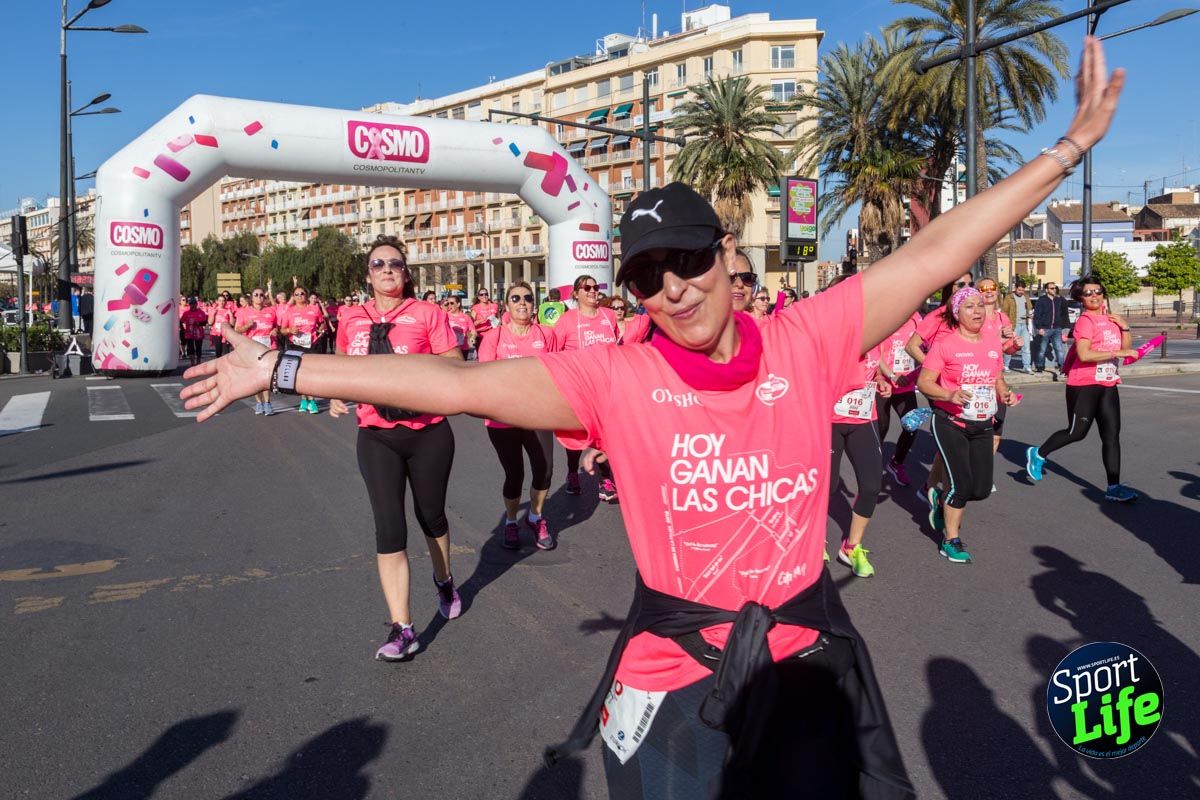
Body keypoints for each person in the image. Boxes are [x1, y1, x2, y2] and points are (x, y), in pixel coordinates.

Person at [182, 39, 1120, 796]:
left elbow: (938, 248)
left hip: (804, 669)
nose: (673, 288)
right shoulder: (611, 378)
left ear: (725, 254)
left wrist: (1068, 149)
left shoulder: (807, 336)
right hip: (672, 681)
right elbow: (452, 381)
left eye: (689, 261)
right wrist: (287, 364)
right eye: (646, 275)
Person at [328, 235, 464, 660]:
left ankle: (444, 579)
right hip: (376, 436)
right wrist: (335, 390)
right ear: (367, 274)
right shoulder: (350, 317)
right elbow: (341, 364)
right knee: (389, 528)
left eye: (395, 264)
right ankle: (402, 627)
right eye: (378, 264)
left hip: (428, 434)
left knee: (431, 516)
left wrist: (409, 372)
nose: (387, 269)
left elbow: (456, 365)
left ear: (406, 273)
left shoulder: (427, 313)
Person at [917, 287, 1021, 563]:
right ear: (956, 313)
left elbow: (996, 377)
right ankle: (951, 540)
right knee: (961, 486)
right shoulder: (945, 344)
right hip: (950, 422)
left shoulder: (991, 343)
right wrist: (948, 394)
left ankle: (942, 500)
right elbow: (924, 382)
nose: (977, 311)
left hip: (983, 424)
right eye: (969, 307)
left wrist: (1004, 393)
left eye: (980, 306)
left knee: (982, 489)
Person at [1026, 276, 1139, 502]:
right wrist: (1117, 353)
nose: (1094, 295)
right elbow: (1085, 354)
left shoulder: (1112, 320)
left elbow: (1126, 349)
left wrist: (1125, 327)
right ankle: (1038, 453)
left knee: (1111, 436)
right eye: (1088, 293)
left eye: (1097, 291)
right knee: (1076, 432)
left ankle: (1113, 488)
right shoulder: (1085, 321)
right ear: (1080, 299)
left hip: (1107, 383)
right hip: (1084, 384)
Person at [478, 282, 560, 550]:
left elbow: (559, 371)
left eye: (527, 298)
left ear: (533, 304)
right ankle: (511, 521)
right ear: (506, 305)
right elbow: (485, 378)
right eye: (516, 298)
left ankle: (535, 517)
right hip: (503, 419)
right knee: (514, 474)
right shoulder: (494, 338)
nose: (522, 302)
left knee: (544, 471)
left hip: (538, 416)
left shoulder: (546, 335)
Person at [552, 275, 619, 498]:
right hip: (578, 388)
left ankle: (605, 478)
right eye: (587, 287)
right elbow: (554, 352)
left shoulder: (609, 316)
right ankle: (573, 472)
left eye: (596, 287)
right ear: (576, 293)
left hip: (607, 387)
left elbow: (616, 343)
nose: (593, 291)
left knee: (608, 433)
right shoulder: (567, 320)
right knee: (577, 433)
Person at [877, 310, 923, 485]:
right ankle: (873, 467)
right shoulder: (884, 317)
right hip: (881, 382)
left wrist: (913, 375)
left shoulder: (916, 319)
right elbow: (876, 355)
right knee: (881, 428)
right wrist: (891, 375)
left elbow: (924, 350)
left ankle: (897, 463)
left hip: (906, 383)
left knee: (912, 425)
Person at [278, 285, 326, 414]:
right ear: (293, 296)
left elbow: (322, 323)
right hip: (295, 344)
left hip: (312, 343)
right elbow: (282, 330)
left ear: (306, 295)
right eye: (297, 294)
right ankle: (304, 400)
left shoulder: (314, 309)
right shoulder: (289, 311)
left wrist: (321, 328)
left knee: (311, 373)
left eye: (302, 294)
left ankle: (312, 401)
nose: (300, 296)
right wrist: (289, 330)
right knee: (299, 374)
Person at [234, 288, 278, 415]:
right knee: (255, 377)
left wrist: (275, 331)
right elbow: (237, 330)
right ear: (252, 298)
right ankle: (259, 402)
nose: (259, 297)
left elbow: (276, 326)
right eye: (256, 295)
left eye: (261, 295)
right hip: (252, 349)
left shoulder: (270, 310)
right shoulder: (244, 312)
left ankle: (268, 403)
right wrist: (247, 326)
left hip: (269, 347)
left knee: (266, 377)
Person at [1032, 282, 1068, 373]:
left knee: (1059, 349)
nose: (1054, 290)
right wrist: (1039, 327)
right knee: (1042, 349)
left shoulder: (1058, 300)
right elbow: (1037, 315)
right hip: (1045, 328)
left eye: (1055, 288)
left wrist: (1062, 327)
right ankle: (1040, 367)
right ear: (1047, 290)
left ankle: (1062, 367)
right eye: (1052, 288)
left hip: (1057, 328)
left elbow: (1063, 311)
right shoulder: (1041, 300)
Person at [1001, 280, 1033, 372]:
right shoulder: (1009, 298)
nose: (1021, 292)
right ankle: (1006, 365)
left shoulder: (1026, 297)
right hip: (1013, 325)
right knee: (1010, 345)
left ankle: (1027, 366)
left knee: (1026, 346)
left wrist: (1029, 314)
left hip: (1025, 325)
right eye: (1019, 290)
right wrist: (1005, 325)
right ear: (1015, 289)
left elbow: (1030, 308)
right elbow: (1004, 312)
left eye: (1023, 290)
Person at [180, 298, 209, 366]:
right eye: (191, 304)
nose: (192, 305)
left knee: (198, 348)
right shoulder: (186, 313)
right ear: (189, 305)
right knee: (191, 348)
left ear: (196, 304)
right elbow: (180, 321)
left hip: (199, 333)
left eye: (194, 304)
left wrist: (199, 323)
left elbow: (205, 322)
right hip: (189, 333)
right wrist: (182, 329)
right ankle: (192, 363)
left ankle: (198, 361)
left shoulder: (201, 312)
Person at [208, 292, 235, 359]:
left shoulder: (228, 311)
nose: (222, 302)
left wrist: (231, 315)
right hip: (216, 334)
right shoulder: (214, 310)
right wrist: (213, 314)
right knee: (218, 352)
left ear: (225, 302)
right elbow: (210, 322)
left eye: (223, 301)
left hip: (225, 334)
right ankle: (219, 367)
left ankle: (226, 368)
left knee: (226, 352)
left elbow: (232, 324)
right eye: (220, 300)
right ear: (217, 301)